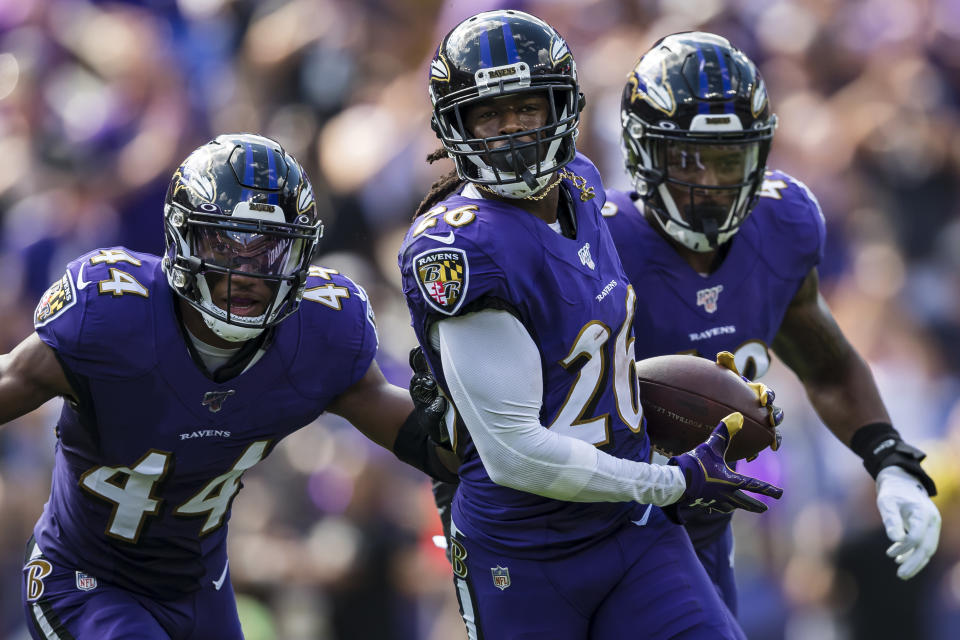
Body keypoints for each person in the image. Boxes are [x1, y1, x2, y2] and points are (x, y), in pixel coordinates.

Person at [399, 11, 783, 639]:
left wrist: (716, 389)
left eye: (527, 106)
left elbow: (589, 348)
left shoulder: (582, 184)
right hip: (525, 552)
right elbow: (517, 455)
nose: (512, 131)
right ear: (453, 127)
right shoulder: (459, 249)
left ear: (564, 108)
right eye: (489, 114)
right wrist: (670, 480)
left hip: (629, 529)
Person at [2, 133, 456, 639]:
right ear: (183, 236)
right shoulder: (112, 314)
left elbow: (419, 435)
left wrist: (467, 435)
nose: (246, 271)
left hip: (198, 587)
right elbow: (11, 379)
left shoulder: (319, 333)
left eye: (268, 250)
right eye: (224, 242)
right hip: (86, 578)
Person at [602, 31, 941, 614]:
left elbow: (828, 366)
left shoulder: (783, 224)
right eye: (689, 159)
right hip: (591, 526)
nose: (709, 182)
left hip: (703, 527)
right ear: (641, 150)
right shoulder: (594, 241)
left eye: (728, 159)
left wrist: (890, 459)